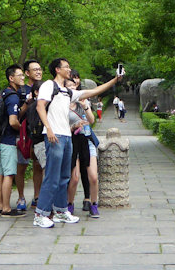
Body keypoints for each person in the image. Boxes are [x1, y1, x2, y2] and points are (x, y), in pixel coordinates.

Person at [34, 58, 122, 229]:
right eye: (66, 67)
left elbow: (94, 91)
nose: (69, 70)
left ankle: (60, 211)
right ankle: (40, 214)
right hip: (55, 135)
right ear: (58, 70)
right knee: (52, 176)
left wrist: (115, 80)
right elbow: (40, 106)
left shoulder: (67, 92)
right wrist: (49, 129)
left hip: (67, 136)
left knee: (64, 177)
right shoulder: (48, 85)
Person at [64, 75, 101, 218]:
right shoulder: (61, 104)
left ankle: (93, 204)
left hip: (87, 141)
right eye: (69, 86)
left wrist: (85, 106)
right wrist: (73, 127)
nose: (72, 88)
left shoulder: (82, 102)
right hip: (72, 142)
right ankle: (70, 203)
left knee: (93, 177)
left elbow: (91, 120)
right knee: (74, 178)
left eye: (74, 86)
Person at [0, 64, 26, 216]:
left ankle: (0, 205)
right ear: (11, 78)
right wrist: (22, 131)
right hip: (7, 140)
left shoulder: (4, 93)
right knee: (9, 174)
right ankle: (6, 207)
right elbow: (13, 121)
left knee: (0, 173)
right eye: (20, 75)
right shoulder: (13, 97)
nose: (23, 78)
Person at [18, 59, 45, 212]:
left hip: (39, 134)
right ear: (27, 73)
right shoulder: (21, 90)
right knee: (21, 165)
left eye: (40, 69)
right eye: (35, 69)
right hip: (24, 134)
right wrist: (27, 103)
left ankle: (37, 197)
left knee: (38, 165)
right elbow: (17, 115)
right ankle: (21, 197)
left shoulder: (45, 88)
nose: (38, 72)